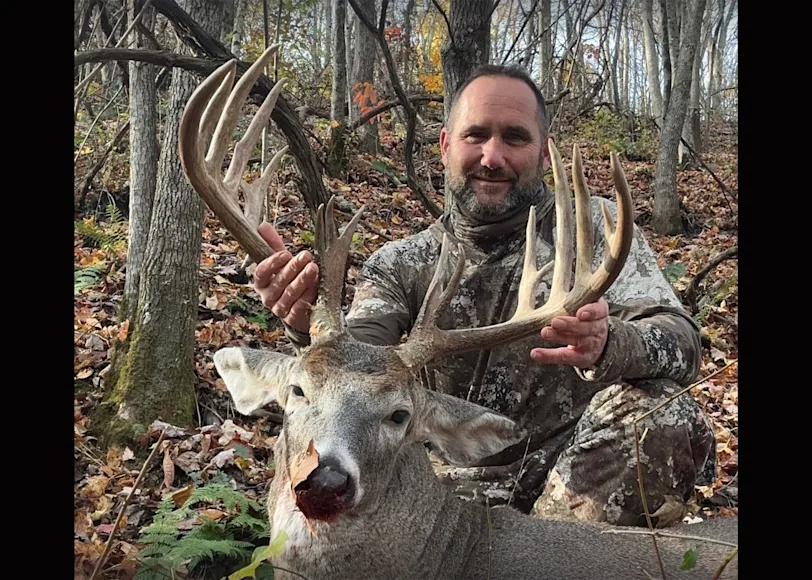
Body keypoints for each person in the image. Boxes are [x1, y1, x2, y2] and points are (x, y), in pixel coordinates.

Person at [249, 64, 715, 527]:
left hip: (580, 470)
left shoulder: (594, 229)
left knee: (661, 410)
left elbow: (682, 341)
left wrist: (610, 344)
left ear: (546, 154)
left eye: (515, 137)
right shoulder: (401, 263)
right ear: (446, 145)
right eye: (476, 135)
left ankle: (558, 556)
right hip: (456, 487)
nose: (492, 157)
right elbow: (359, 365)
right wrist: (309, 319)